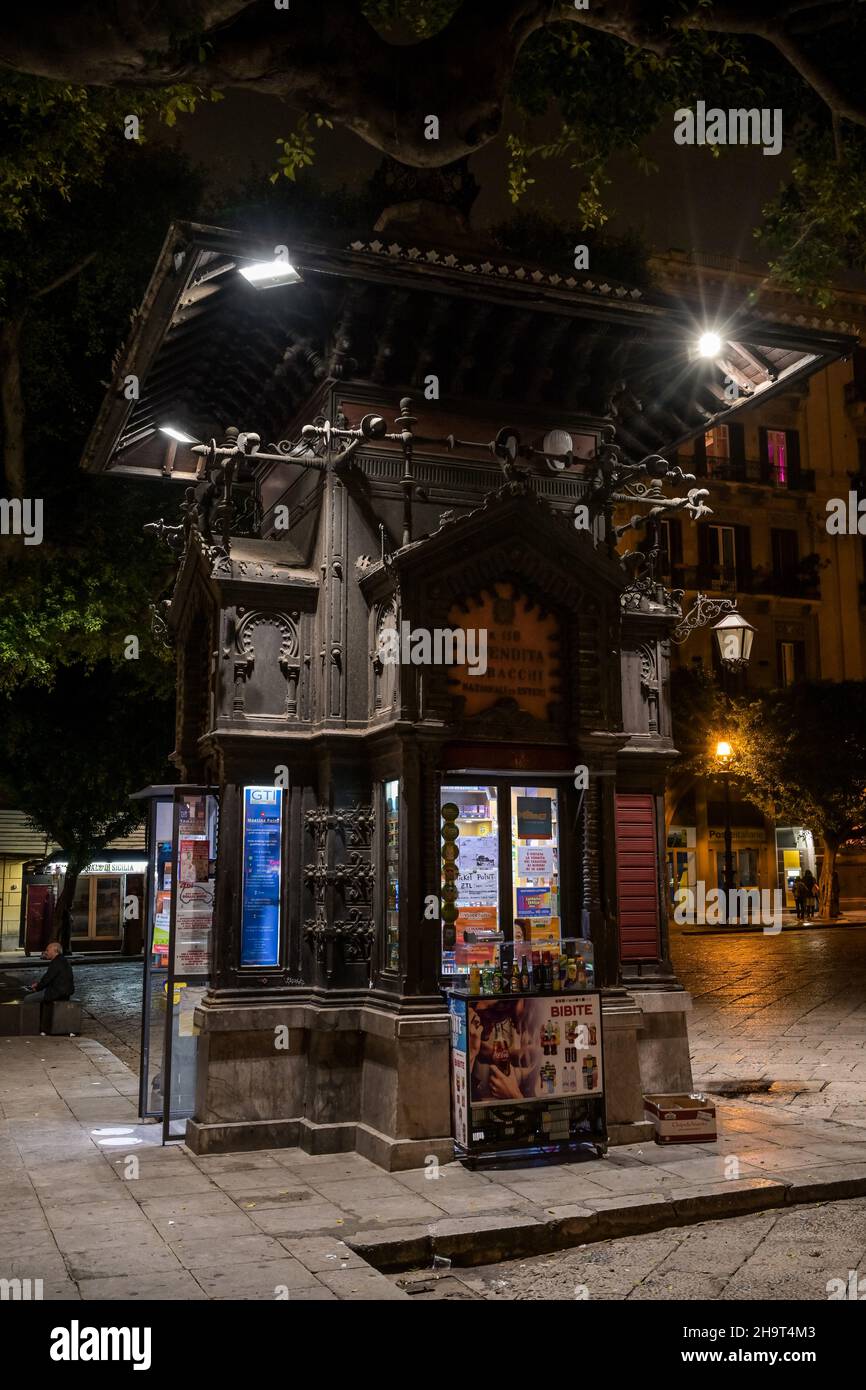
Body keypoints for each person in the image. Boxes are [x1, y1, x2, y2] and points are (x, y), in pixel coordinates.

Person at [21, 942, 74, 1011]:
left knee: (28, 999)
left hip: (57, 993)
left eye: (47, 950)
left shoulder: (56, 963)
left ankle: (32, 1019)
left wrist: (37, 988)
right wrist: (38, 985)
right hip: (66, 992)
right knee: (40, 994)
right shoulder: (64, 960)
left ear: (55, 951)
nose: (46, 952)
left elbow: (47, 979)